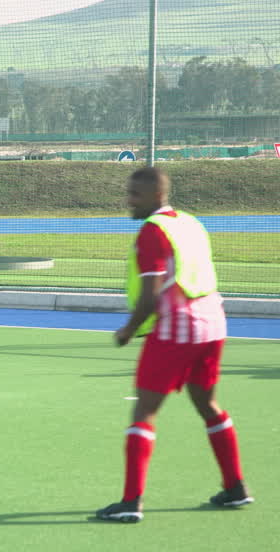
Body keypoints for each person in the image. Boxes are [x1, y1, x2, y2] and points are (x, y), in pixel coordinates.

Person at [96, 166, 253, 523]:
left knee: (144, 412)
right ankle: (235, 487)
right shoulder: (189, 222)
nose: (129, 200)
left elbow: (151, 296)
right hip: (212, 324)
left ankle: (131, 502)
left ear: (157, 195)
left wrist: (128, 330)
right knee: (207, 403)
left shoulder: (153, 231)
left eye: (135, 194)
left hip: (176, 329)